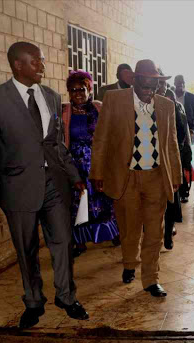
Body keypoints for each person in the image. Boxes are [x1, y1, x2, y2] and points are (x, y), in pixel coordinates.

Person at [0, 42, 89, 328]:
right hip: (18, 186)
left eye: (43, 61)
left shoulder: (50, 95)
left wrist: (74, 178)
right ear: (17, 65)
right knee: (26, 248)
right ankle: (34, 301)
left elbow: (57, 145)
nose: (42, 66)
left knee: (63, 241)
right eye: (36, 62)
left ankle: (66, 296)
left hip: (55, 184)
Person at [89, 59, 182, 297]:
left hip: (156, 178)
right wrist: (97, 172)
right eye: (145, 83)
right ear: (134, 81)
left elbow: (171, 143)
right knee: (129, 229)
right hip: (126, 177)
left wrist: (176, 175)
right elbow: (101, 138)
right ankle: (129, 264)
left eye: (154, 84)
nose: (149, 89)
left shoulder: (166, 106)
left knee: (154, 231)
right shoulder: (114, 100)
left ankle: (151, 279)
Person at [62, 71, 120, 257]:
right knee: (78, 202)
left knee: (104, 200)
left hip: (98, 161)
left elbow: (111, 133)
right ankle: (79, 241)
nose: (77, 94)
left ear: (89, 89)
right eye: (73, 90)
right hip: (75, 162)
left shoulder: (98, 108)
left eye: (81, 89)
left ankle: (112, 233)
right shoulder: (64, 111)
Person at [157, 75, 189, 250]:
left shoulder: (176, 107)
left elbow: (181, 134)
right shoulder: (147, 107)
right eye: (158, 84)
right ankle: (156, 235)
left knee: (170, 201)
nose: (161, 87)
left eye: (163, 83)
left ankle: (168, 234)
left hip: (169, 162)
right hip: (152, 164)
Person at [174, 75, 194, 203]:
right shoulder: (169, 95)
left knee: (186, 162)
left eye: (183, 83)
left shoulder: (192, 97)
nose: (181, 85)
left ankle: (185, 192)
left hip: (188, 136)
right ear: (174, 84)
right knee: (175, 162)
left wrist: (192, 130)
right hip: (174, 136)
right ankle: (176, 189)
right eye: (178, 83)